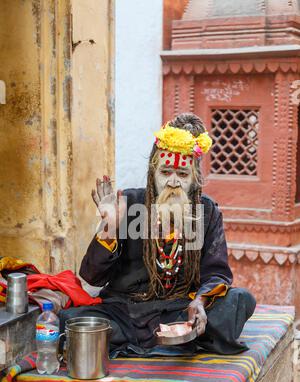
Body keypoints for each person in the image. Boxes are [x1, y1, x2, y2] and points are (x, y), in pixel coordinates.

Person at [60, 113, 256, 357]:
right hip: (124, 312)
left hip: (179, 312)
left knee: (240, 300)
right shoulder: (128, 203)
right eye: (165, 172)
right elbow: (92, 277)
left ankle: (177, 336)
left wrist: (200, 303)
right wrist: (109, 228)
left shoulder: (207, 212)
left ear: (194, 179)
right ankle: (177, 343)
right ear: (153, 173)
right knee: (67, 321)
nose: (173, 182)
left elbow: (216, 273)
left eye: (183, 175)